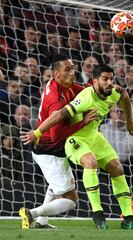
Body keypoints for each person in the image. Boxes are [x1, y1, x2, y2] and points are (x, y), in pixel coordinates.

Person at [21, 64, 133, 230]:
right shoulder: (85, 97)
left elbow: (125, 98)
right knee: (90, 162)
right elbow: (60, 114)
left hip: (94, 136)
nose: (109, 82)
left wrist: (129, 121)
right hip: (75, 139)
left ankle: (128, 217)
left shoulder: (113, 92)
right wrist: (38, 132)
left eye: (111, 78)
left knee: (117, 168)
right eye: (105, 79)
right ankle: (98, 214)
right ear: (94, 81)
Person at [18, 54, 95, 229]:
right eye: (67, 70)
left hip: (46, 149)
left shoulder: (58, 85)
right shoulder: (57, 101)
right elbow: (56, 136)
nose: (72, 73)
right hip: (50, 152)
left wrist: (99, 90)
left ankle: (41, 222)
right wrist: (83, 123)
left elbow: (83, 91)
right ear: (56, 74)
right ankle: (31, 213)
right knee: (71, 200)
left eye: (73, 68)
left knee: (55, 185)